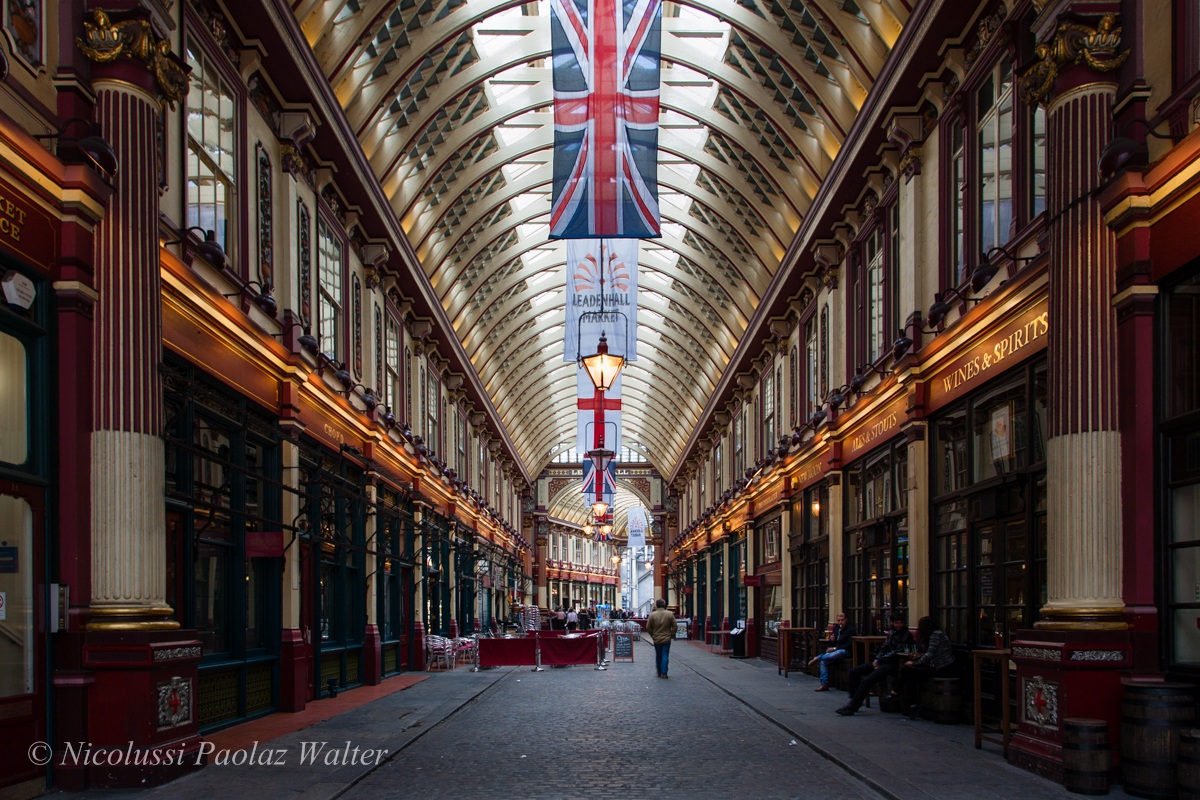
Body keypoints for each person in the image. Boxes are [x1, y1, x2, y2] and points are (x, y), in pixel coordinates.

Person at [836, 612, 914, 716]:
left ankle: (852, 707)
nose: (898, 625)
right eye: (896, 623)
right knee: (854, 672)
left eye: (900, 623)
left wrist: (879, 661)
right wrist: (877, 659)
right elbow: (884, 648)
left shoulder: (906, 635)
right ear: (892, 623)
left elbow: (896, 652)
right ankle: (854, 699)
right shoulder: (891, 633)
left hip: (893, 664)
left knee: (867, 681)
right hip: (882, 661)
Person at [892, 616, 955, 718]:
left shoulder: (936, 635)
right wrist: (918, 657)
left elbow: (930, 654)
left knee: (907, 670)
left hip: (942, 668)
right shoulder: (934, 634)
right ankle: (909, 701)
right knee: (908, 671)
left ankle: (900, 695)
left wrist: (915, 663)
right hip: (936, 666)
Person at [810, 613, 855, 692]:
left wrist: (835, 648)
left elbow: (849, 645)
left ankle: (818, 657)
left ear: (846, 620)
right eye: (838, 620)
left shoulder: (850, 630)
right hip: (836, 651)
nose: (840, 622)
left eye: (842, 620)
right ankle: (824, 684)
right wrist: (832, 640)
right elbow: (833, 643)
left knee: (837, 653)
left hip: (845, 651)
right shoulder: (837, 628)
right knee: (824, 661)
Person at [647, 599, 677, 678]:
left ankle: (659, 672)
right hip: (666, 638)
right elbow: (675, 626)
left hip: (656, 638)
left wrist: (652, 635)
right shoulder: (670, 614)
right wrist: (672, 635)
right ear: (664, 605)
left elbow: (648, 627)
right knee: (665, 655)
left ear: (656, 605)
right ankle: (664, 673)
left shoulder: (652, 615)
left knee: (658, 655)